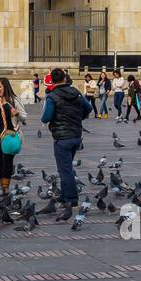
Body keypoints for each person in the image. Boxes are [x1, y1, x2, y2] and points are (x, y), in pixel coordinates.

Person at [41, 68, 92, 208]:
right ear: (64, 78)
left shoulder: (52, 96)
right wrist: (77, 117)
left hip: (62, 138)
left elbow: (46, 118)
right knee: (66, 167)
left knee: (65, 170)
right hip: (76, 135)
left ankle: (71, 199)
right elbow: (88, 108)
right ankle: (64, 197)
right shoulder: (76, 92)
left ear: (51, 80)